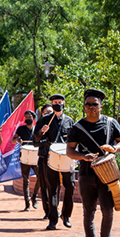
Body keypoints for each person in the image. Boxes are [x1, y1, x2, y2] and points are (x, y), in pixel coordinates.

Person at [66, 88, 120, 237]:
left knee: (108, 211)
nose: (91, 107)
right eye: (88, 104)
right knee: (88, 212)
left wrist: (114, 149)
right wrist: (83, 156)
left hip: (107, 174)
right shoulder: (77, 127)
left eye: (95, 104)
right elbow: (69, 150)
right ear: (84, 106)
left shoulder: (110, 123)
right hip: (86, 174)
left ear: (101, 106)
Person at [34, 94, 75, 230]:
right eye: (55, 102)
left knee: (71, 187)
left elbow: (74, 139)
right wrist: (41, 132)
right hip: (49, 157)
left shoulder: (69, 121)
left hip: (66, 158)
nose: (58, 104)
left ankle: (66, 215)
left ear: (63, 103)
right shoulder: (44, 120)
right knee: (53, 189)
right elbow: (35, 141)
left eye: (60, 102)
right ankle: (53, 219)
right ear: (51, 104)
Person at [13, 110, 40, 211]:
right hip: (24, 156)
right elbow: (13, 139)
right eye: (26, 117)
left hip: (36, 156)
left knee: (40, 178)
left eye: (29, 117)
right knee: (26, 180)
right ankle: (27, 204)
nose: (28, 118)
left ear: (33, 118)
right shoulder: (21, 129)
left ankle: (34, 196)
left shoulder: (37, 129)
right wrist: (17, 139)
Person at [34, 104, 54, 218]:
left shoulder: (58, 123)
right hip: (43, 158)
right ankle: (47, 211)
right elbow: (35, 142)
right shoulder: (40, 123)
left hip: (56, 160)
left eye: (51, 112)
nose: (49, 114)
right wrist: (42, 134)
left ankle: (54, 209)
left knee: (54, 186)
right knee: (44, 186)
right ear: (42, 114)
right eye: (47, 113)